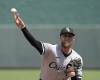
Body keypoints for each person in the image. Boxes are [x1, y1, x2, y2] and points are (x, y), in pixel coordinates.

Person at [12, 13, 83, 80]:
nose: (67, 38)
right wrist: (23, 28)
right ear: (60, 37)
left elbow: (76, 78)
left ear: (73, 39)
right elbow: (34, 43)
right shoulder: (51, 49)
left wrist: (73, 74)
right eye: (64, 35)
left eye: (70, 36)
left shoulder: (77, 58)